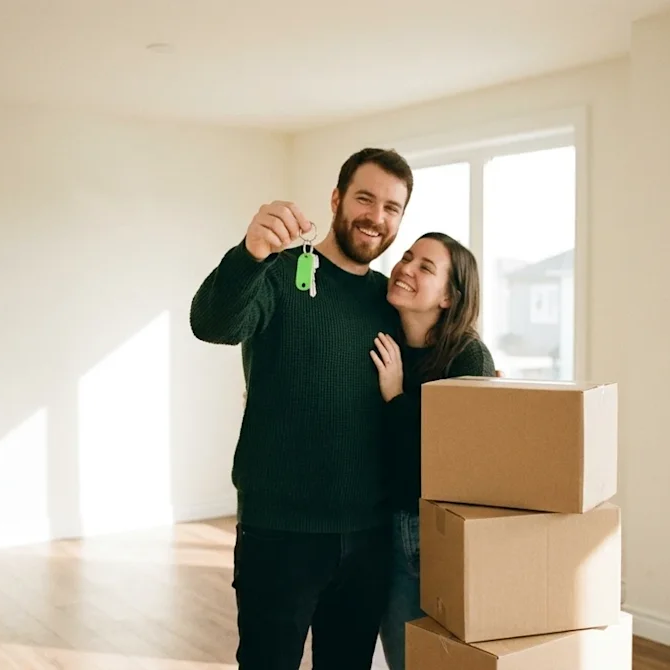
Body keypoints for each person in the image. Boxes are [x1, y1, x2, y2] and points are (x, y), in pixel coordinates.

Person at [189, 147, 414, 670]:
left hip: (368, 536)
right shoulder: (277, 273)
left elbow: (442, 353)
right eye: (364, 198)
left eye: (392, 207)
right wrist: (250, 252)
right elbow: (212, 322)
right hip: (280, 534)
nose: (376, 217)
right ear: (336, 199)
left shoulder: (389, 300)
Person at [369, 232, 496, 670]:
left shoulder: (468, 358)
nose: (406, 268)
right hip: (378, 526)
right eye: (406, 257)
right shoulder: (383, 342)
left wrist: (396, 396)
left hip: (435, 531)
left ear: (448, 297)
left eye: (426, 267)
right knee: (401, 658)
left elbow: (454, 461)